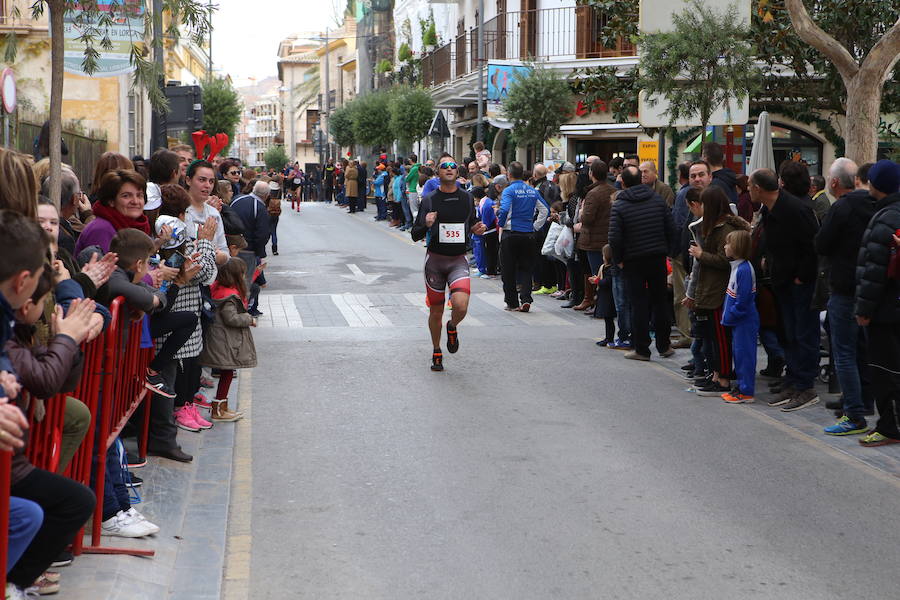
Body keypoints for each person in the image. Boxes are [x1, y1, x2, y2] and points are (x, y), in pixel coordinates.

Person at [750, 168, 821, 412]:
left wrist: (802, 276)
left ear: (758, 189)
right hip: (782, 279)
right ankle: (793, 380)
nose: (748, 190)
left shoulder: (795, 209)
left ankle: (805, 386)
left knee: (803, 333)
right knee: (788, 333)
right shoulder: (770, 209)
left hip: (798, 282)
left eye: (750, 186)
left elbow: (813, 246)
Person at [816, 157, 875, 435]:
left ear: (835, 182)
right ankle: (863, 401)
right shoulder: (874, 204)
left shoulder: (841, 208)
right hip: (867, 288)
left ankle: (853, 414)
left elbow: (822, 243)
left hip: (843, 287)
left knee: (844, 353)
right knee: (862, 350)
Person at [410, 157, 486, 372]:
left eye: (453, 166)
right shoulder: (429, 199)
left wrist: (476, 228)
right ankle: (436, 350)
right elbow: (415, 235)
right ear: (438, 172)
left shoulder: (466, 197)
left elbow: (471, 223)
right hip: (434, 261)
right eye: (445, 166)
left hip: (458, 260)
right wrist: (426, 224)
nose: (450, 169)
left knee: (461, 305)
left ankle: (452, 326)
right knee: (436, 310)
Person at [685, 186, 750, 395]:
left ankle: (723, 378)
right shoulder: (714, 226)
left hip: (720, 291)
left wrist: (701, 254)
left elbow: (726, 261)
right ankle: (715, 373)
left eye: (703, 203)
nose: (700, 207)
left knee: (720, 339)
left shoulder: (725, 229)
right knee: (712, 337)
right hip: (710, 288)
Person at [608, 165, 676, 361]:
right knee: (660, 301)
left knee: (637, 304)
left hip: (633, 260)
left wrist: (618, 259)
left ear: (624, 183)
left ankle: (642, 349)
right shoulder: (657, 200)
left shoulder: (620, 205)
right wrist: (669, 251)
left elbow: (614, 237)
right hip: (657, 257)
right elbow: (670, 227)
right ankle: (664, 345)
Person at [854, 159, 900, 447]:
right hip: (892, 305)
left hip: (886, 310)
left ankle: (889, 426)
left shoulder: (886, 218)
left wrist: (865, 311)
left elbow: (873, 272)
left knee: (885, 370)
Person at [199, 257, 256, 421]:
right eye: (243, 273)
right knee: (227, 373)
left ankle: (222, 406)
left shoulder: (217, 288)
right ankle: (218, 409)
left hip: (221, 338)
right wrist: (248, 319)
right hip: (224, 340)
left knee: (227, 373)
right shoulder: (229, 296)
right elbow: (231, 318)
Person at [497, 161, 550, 312]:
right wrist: (535, 226)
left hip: (511, 234)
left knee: (508, 270)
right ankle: (526, 299)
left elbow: (505, 209)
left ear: (509, 174)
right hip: (528, 234)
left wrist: (501, 223)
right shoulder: (532, 190)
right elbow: (545, 210)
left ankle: (512, 302)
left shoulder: (509, 191)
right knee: (527, 268)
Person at [720, 230, 760, 404]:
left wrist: (732, 314)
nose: (725, 246)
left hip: (744, 320)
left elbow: (743, 300)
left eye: (728, 243)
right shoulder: (738, 267)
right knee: (739, 354)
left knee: (745, 356)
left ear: (736, 247)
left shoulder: (743, 269)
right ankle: (742, 387)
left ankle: (746, 391)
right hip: (739, 321)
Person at [75, 169, 151, 255]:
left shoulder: (137, 226)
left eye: (139, 195)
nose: (135, 201)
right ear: (111, 201)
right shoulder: (101, 230)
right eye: (126, 196)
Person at [574, 159, 615, 309]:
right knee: (606, 273)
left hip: (593, 240)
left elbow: (587, 218)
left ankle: (600, 306)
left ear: (592, 174)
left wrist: (581, 212)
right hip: (608, 238)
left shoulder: (593, 193)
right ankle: (602, 304)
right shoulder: (612, 191)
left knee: (596, 274)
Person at [184, 160, 230, 265]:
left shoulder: (213, 213)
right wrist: (204, 246)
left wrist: (220, 256)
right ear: (188, 180)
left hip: (210, 277)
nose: (207, 185)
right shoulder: (179, 211)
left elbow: (224, 251)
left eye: (211, 181)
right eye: (202, 180)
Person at [591, 244, 617, 346]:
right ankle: (608, 337)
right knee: (607, 319)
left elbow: (607, 282)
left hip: (608, 297)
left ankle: (609, 338)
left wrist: (597, 281)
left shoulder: (610, 269)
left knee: (609, 319)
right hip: (605, 296)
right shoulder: (606, 268)